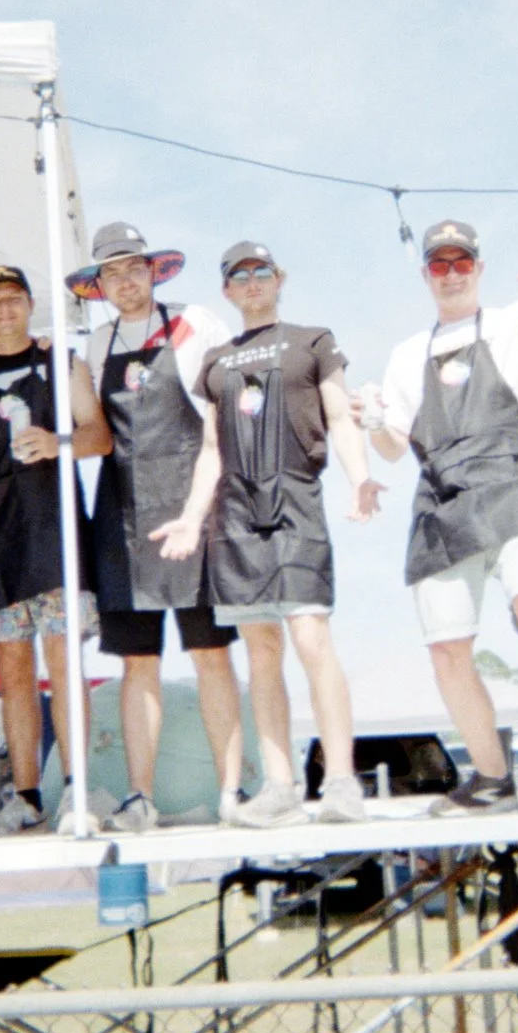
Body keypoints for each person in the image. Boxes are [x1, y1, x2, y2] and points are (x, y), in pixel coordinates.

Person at [360, 220, 518, 815]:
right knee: (447, 648)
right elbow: (395, 447)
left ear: (479, 268)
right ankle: (494, 781)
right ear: (426, 274)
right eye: (439, 265)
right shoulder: (406, 355)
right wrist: (373, 421)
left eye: (461, 262)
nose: (451, 274)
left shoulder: (511, 322)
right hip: (442, 497)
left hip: (513, 478)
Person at [150, 242, 384, 828]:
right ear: (226, 290)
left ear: (279, 279)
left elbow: (339, 417)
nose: (251, 282)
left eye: (261, 272)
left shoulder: (314, 341)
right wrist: (190, 515)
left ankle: (340, 782)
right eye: (238, 275)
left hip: (296, 499)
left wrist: (360, 477)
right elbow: (210, 449)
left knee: (310, 638)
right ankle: (281, 785)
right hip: (234, 513)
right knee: (262, 651)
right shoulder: (216, 362)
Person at [69, 222, 242, 834]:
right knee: (136, 663)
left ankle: (231, 791)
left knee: (211, 655)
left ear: (153, 270)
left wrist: (200, 512)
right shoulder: (93, 345)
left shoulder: (195, 322)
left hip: (194, 509)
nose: (124, 280)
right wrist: (55, 439)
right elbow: (96, 436)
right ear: (99, 284)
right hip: (121, 516)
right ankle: (139, 796)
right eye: (111, 272)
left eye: (133, 268)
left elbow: (223, 423)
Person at [0, 264, 108, 836]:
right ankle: (27, 796)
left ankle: (78, 792)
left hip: (55, 534)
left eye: (14, 299)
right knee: (13, 671)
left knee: (64, 665)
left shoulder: (62, 362)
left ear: (30, 305)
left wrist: (59, 442)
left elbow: (100, 435)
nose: (5, 310)